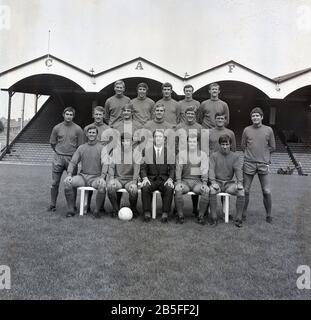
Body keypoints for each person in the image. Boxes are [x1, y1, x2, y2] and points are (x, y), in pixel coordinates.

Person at [241, 107, 276, 223]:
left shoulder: (268, 130)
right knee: (245, 190)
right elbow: (243, 146)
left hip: (263, 164)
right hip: (249, 163)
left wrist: (264, 156)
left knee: (266, 190)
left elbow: (273, 147)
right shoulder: (246, 130)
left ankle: (269, 215)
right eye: (253, 116)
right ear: (251, 118)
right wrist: (250, 156)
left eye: (257, 115)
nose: (255, 118)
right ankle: (243, 214)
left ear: (261, 117)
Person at [63, 126, 107, 218]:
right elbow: (73, 162)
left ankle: (96, 212)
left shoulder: (102, 148)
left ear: (96, 134)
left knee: (102, 186)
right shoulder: (81, 148)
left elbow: (105, 164)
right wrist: (69, 174)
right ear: (86, 134)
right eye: (90, 132)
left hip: (96, 177)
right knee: (67, 182)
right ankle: (71, 210)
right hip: (83, 177)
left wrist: (102, 178)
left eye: (93, 132)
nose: (91, 134)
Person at [48, 107, 84, 212]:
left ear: (73, 116)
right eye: (67, 114)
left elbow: (80, 147)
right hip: (58, 158)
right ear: (63, 114)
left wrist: (74, 158)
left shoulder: (78, 129)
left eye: (71, 114)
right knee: (54, 182)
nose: (69, 116)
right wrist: (59, 152)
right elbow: (52, 143)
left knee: (72, 183)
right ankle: (52, 204)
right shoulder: (57, 128)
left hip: (72, 159)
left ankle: (72, 205)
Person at [209, 134, 245, 227]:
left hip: (229, 184)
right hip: (217, 182)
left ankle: (238, 219)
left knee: (241, 191)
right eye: (223, 144)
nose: (225, 146)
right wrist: (213, 182)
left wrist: (240, 183)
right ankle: (214, 218)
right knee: (212, 190)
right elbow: (211, 170)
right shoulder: (214, 155)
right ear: (219, 145)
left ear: (230, 145)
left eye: (227, 144)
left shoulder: (235, 156)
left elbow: (238, 170)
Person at [140, 130, 175, 222]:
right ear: (153, 139)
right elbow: (143, 168)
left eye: (160, 136)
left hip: (164, 179)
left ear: (164, 139)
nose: (158, 138)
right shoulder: (147, 151)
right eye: (156, 136)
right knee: (145, 187)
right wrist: (145, 178)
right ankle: (147, 212)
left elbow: (172, 168)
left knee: (169, 188)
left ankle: (165, 213)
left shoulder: (169, 152)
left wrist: (170, 179)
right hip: (151, 179)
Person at [174, 135, 209, 224]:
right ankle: (180, 216)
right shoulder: (181, 154)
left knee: (205, 190)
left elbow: (204, 170)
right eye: (190, 142)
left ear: (197, 143)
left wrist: (204, 183)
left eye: (194, 142)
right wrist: (178, 182)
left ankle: (200, 216)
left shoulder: (203, 154)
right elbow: (179, 169)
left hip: (197, 182)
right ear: (187, 143)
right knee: (178, 189)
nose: (192, 143)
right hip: (184, 181)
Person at [175, 106, 203, 216]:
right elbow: (175, 142)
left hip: (195, 158)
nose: (190, 116)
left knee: (194, 178)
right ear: (185, 115)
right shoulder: (179, 127)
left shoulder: (200, 127)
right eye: (188, 114)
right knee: (178, 180)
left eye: (192, 114)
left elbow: (202, 143)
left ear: (195, 115)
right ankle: (176, 208)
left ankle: (195, 208)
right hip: (181, 157)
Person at [107, 135, 140, 217]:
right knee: (110, 186)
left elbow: (137, 169)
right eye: (124, 141)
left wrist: (134, 182)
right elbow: (111, 167)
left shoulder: (135, 153)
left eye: (128, 141)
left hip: (130, 180)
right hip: (118, 179)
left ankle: (133, 209)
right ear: (121, 142)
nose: (126, 143)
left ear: (131, 142)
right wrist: (111, 179)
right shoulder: (115, 152)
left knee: (134, 189)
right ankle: (115, 209)